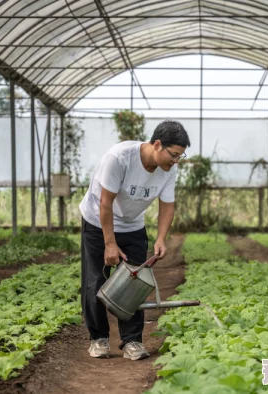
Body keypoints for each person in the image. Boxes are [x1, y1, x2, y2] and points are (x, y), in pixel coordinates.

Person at [79, 120, 190, 359]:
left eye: (180, 156)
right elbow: (105, 203)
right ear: (157, 145)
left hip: (132, 226)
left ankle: (132, 341)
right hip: (98, 222)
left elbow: (167, 205)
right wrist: (110, 243)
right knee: (95, 279)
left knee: (135, 280)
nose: (176, 160)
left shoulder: (169, 169)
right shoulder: (119, 158)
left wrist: (161, 238)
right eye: (173, 155)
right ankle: (99, 338)